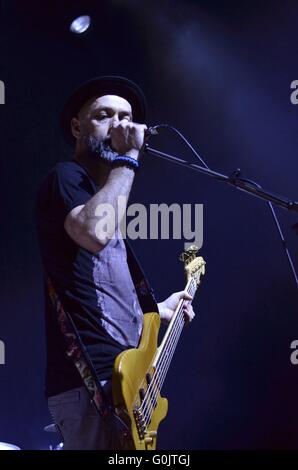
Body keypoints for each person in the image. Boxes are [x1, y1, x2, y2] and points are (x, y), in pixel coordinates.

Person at [36, 76, 195, 450]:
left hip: (128, 382)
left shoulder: (105, 198)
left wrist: (156, 311)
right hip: (91, 381)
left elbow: (99, 289)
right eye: (105, 116)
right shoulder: (65, 177)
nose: (118, 125)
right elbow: (93, 232)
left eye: (126, 117)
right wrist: (127, 159)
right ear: (78, 126)